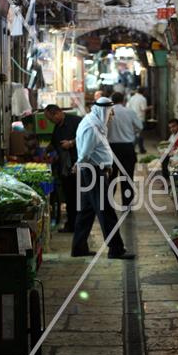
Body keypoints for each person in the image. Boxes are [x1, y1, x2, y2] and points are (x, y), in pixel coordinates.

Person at [71, 96, 135, 259]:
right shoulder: (93, 126)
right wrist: (79, 164)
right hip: (93, 172)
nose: (112, 114)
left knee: (86, 211)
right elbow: (86, 151)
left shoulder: (95, 123)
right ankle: (116, 249)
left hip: (93, 170)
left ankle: (79, 247)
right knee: (106, 210)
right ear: (103, 110)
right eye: (110, 111)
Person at [44, 105, 81, 233]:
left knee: (76, 196)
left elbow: (87, 137)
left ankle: (77, 224)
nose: (50, 122)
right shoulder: (58, 126)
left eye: (51, 119)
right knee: (69, 196)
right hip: (64, 167)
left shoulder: (76, 121)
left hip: (76, 165)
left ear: (58, 113)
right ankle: (71, 224)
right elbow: (54, 143)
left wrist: (71, 143)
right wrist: (46, 151)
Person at [108, 92, 143, 207]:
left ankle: (108, 204)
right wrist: (131, 132)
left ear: (112, 101)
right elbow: (140, 127)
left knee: (111, 177)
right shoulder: (129, 112)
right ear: (123, 100)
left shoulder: (107, 113)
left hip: (111, 149)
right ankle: (126, 204)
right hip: (127, 147)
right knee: (127, 176)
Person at [127, 86, 150, 153]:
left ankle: (141, 149)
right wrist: (150, 107)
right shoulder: (143, 99)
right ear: (144, 92)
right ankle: (133, 148)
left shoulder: (132, 98)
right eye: (146, 91)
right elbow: (143, 109)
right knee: (139, 135)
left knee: (135, 134)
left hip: (131, 119)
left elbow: (127, 107)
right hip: (140, 119)